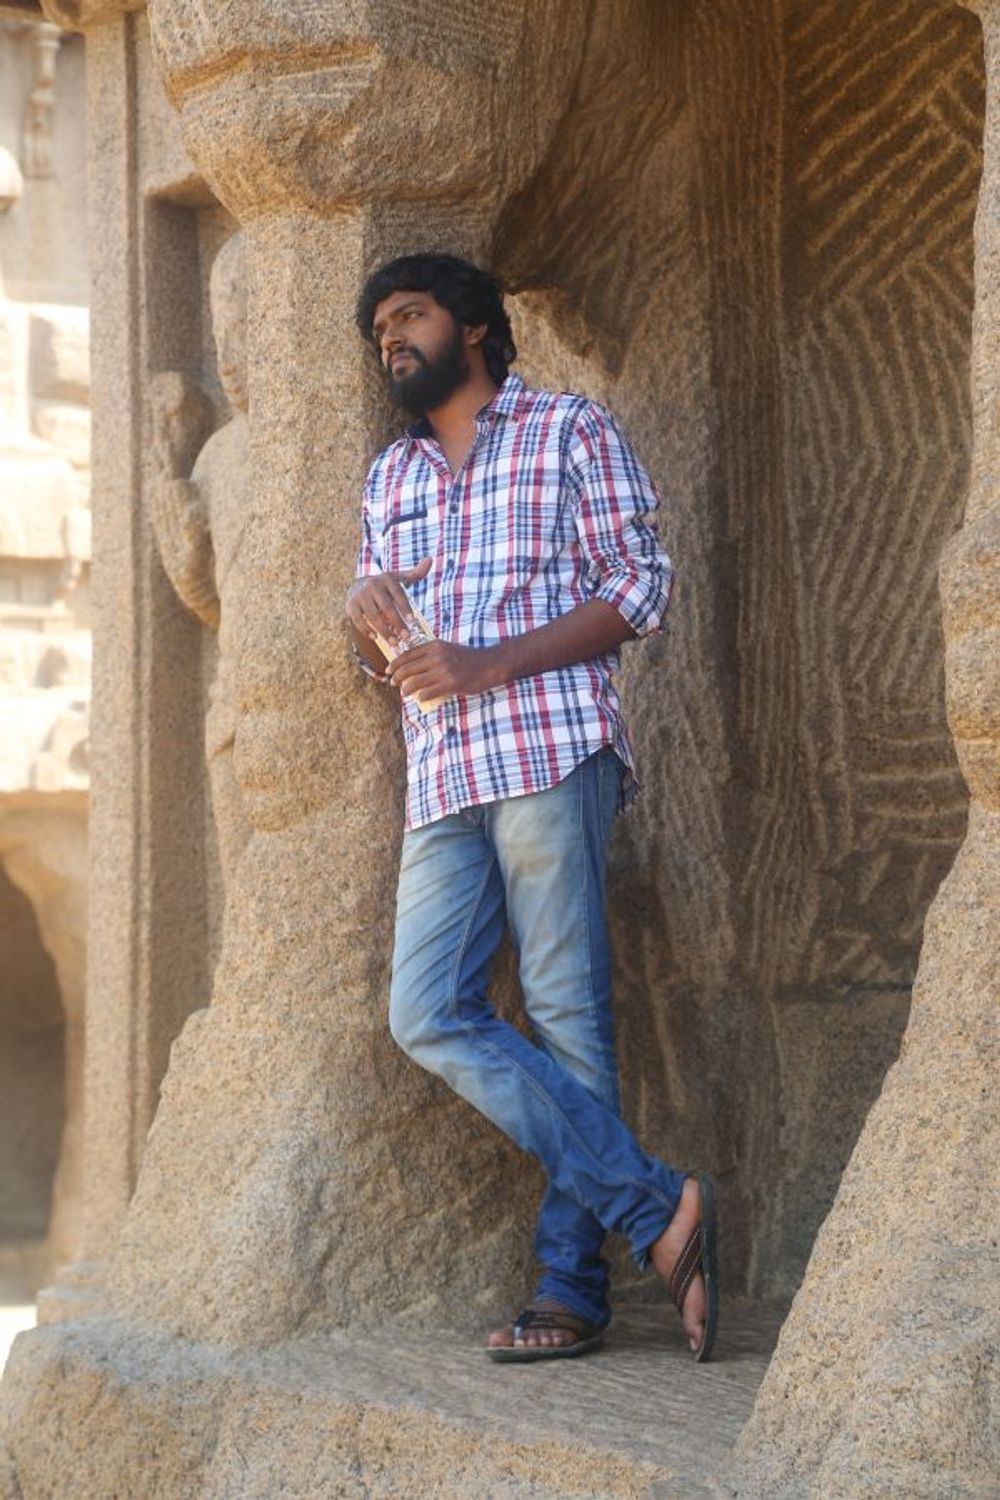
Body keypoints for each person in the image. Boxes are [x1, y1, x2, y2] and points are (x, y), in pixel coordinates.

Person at [345, 252, 718, 1362]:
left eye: (409, 315)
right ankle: (657, 1206)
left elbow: (640, 585)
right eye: (379, 329)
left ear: (472, 325)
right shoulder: (391, 477)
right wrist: (371, 623)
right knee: (424, 1011)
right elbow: (392, 655)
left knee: (565, 1019)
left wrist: (488, 664)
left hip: (549, 749)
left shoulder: (567, 429)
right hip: (442, 776)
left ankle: (570, 1289)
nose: (391, 337)